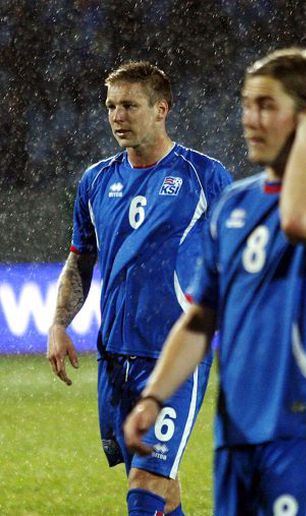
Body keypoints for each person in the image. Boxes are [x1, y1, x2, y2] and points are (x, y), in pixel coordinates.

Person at [123, 48, 306, 515]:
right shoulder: (233, 204)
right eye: (246, 104)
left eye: (266, 106)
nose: (249, 119)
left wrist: (305, 146)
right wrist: (154, 397)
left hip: (304, 431)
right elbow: (202, 318)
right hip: (236, 436)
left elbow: (302, 221)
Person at [46, 61, 233, 515]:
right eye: (111, 106)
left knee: (145, 487)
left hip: (175, 356)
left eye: (129, 105)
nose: (117, 116)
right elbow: (80, 260)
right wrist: (58, 324)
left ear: (161, 108)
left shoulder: (205, 177)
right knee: (160, 492)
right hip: (115, 358)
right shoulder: (95, 181)